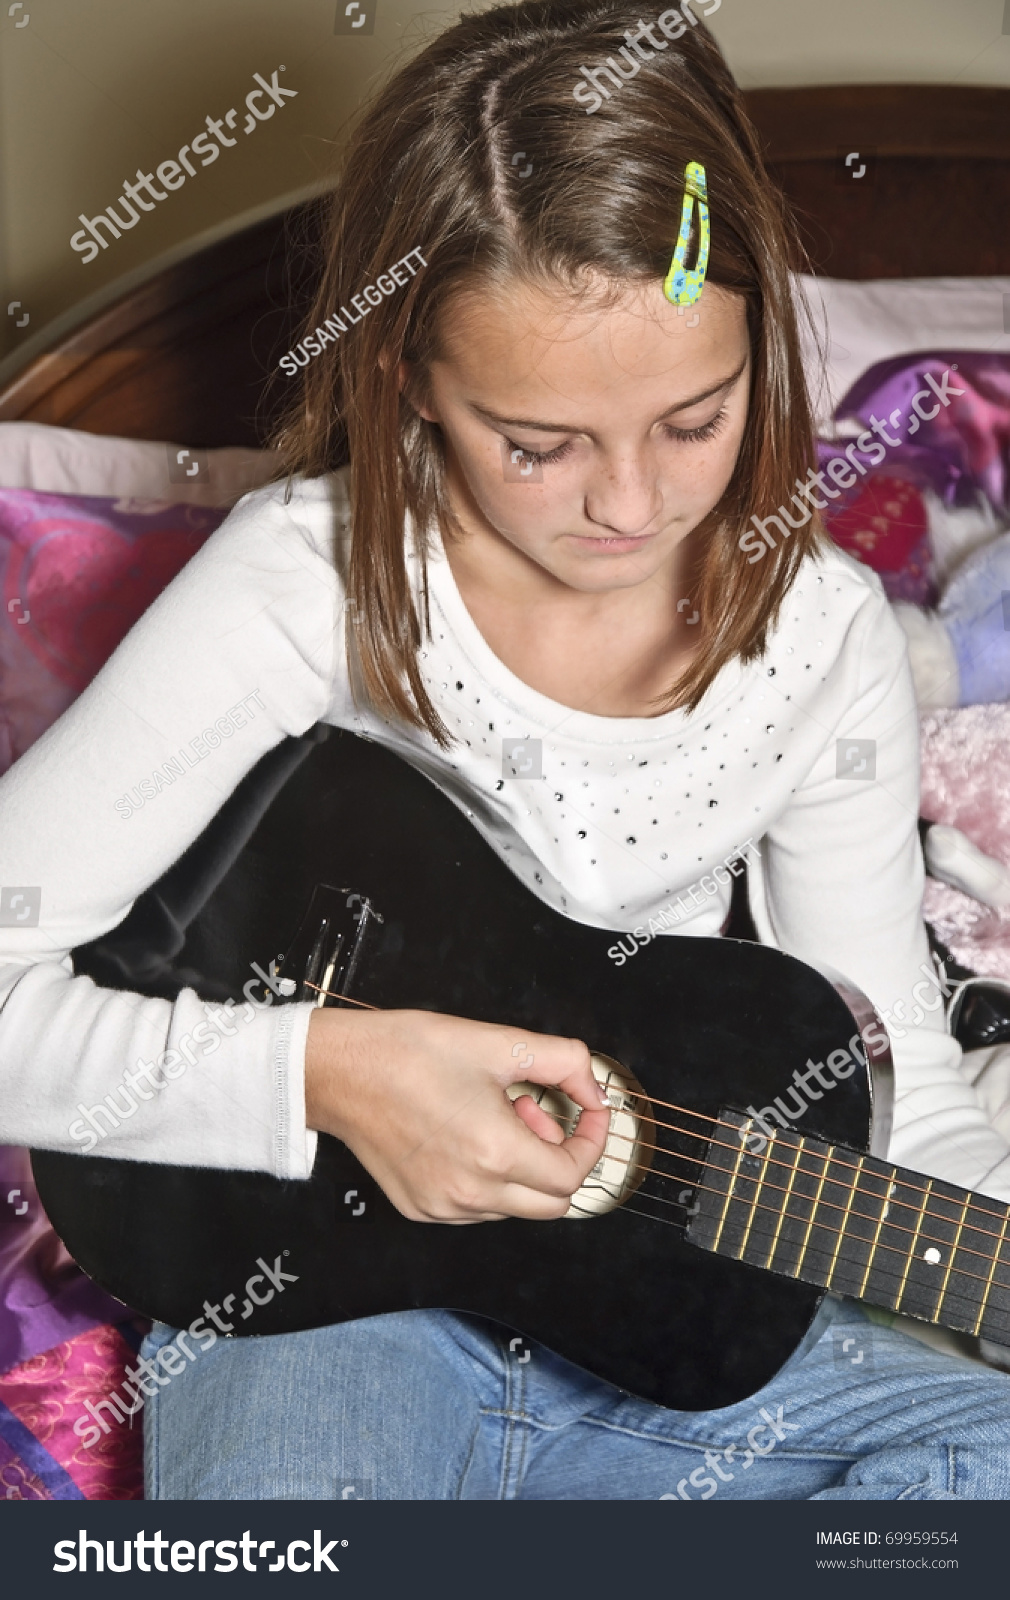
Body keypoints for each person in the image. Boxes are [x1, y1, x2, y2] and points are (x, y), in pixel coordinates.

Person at [4, 0, 1010, 1499]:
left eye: (695, 419)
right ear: (405, 372)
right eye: (534, 442)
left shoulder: (821, 635)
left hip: (687, 1305)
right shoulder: (309, 585)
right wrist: (329, 1071)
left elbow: (895, 1079)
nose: (626, 503)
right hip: (319, 1310)